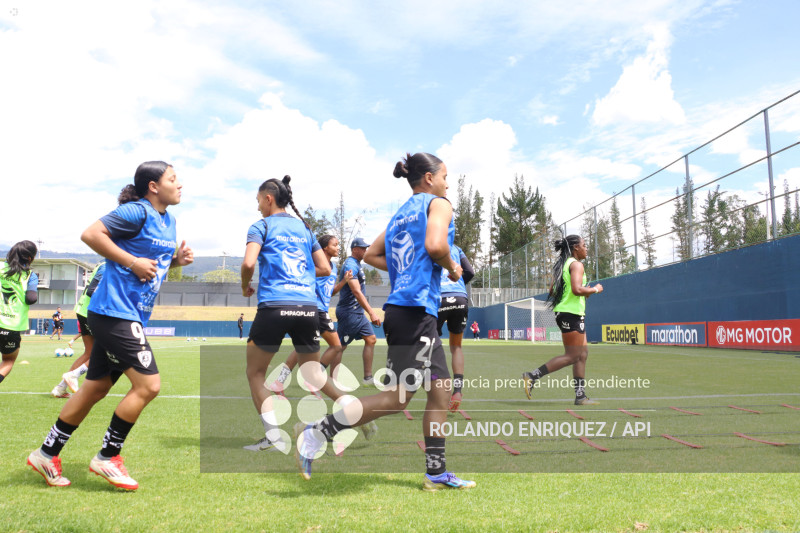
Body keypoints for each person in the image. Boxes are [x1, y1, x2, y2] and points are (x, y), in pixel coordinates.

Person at [295, 152, 476, 490]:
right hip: (415, 312)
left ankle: (436, 474)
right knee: (398, 398)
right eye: (445, 176)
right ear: (428, 178)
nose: (447, 183)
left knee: (439, 391)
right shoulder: (439, 204)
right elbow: (436, 245)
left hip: (404, 311)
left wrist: (406, 271)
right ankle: (318, 430)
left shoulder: (400, 215)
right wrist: (451, 267)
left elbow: (374, 255)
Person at [28, 161, 193, 490]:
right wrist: (131, 261)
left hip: (127, 313)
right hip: (114, 313)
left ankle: (47, 453)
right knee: (148, 386)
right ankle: (108, 457)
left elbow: (152, 261)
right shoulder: (136, 211)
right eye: (173, 179)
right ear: (153, 186)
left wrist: (175, 261)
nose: (180, 184)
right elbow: (91, 234)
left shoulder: (170, 220)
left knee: (95, 388)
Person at [241, 176, 346, 454]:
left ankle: (274, 438)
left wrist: (245, 286)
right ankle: (351, 409)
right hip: (307, 307)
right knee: (313, 374)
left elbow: (249, 262)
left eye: (258, 201)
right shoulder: (303, 229)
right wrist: (299, 278)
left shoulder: (261, 225)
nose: (258, 207)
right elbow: (323, 268)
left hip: (274, 306)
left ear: (268, 198)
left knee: (255, 372)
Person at [252, 234, 377, 450]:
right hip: (314, 311)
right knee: (334, 347)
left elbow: (332, 292)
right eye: (335, 244)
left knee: (318, 348)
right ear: (324, 247)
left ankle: (287, 378)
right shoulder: (315, 265)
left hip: (320, 310)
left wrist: (342, 283)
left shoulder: (330, 266)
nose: (338, 247)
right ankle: (315, 379)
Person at [521, 235, 603, 405]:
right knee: (573, 356)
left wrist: (581, 292)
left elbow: (553, 291)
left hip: (569, 313)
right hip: (571, 314)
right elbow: (576, 289)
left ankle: (580, 396)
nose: (586, 248)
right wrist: (594, 289)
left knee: (582, 354)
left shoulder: (563, 265)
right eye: (584, 245)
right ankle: (532, 376)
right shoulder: (576, 265)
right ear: (576, 248)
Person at [51, 261, 106, 398]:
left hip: (84, 310)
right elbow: (92, 291)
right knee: (106, 352)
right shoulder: (108, 265)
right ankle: (73, 375)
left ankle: (60, 388)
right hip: (93, 313)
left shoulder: (103, 263)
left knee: (89, 353)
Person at [335, 237, 381, 385]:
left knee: (371, 339)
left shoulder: (356, 264)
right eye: (362, 248)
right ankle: (329, 378)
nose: (365, 251)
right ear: (355, 249)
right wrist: (372, 312)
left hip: (357, 313)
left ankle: (367, 378)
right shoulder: (350, 265)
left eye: (366, 248)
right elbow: (356, 291)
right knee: (340, 346)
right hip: (349, 312)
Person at [436, 244, 474, 412]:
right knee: (456, 347)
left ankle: (437, 390)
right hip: (460, 298)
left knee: (430, 346)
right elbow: (470, 272)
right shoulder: (457, 248)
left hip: (438, 297)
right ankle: (457, 391)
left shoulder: (430, 243)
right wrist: (457, 282)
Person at [0, 241, 39, 386]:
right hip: (12, 326)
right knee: (8, 360)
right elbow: (31, 298)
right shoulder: (30, 276)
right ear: (29, 258)